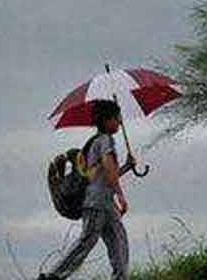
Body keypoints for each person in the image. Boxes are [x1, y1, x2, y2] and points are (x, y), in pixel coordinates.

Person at [40, 99, 137, 280]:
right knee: (87, 241)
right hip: (97, 202)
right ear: (107, 120)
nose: (120, 122)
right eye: (117, 118)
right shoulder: (106, 141)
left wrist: (126, 167)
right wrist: (121, 196)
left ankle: (121, 277)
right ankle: (52, 276)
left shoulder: (94, 143)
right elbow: (109, 173)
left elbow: (103, 177)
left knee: (119, 243)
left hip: (105, 204)